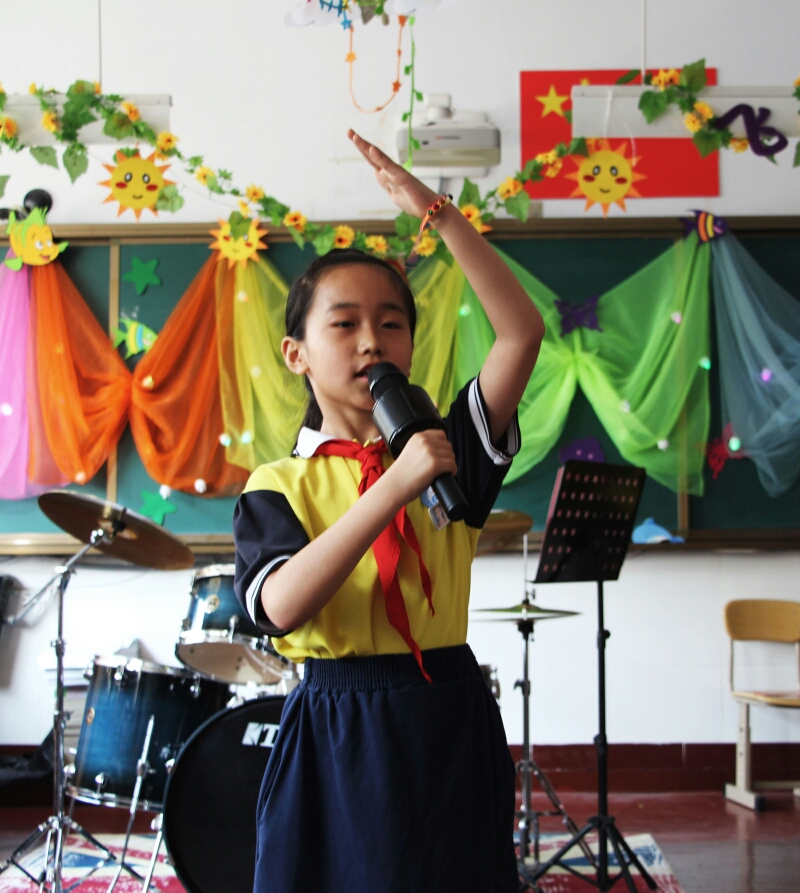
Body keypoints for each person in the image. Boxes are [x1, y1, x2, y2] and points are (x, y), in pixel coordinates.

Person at [233, 130, 544, 893]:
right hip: (338, 726)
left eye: (392, 322)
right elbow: (278, 605)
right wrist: (393, 487)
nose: (372, 340)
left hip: (448, 715)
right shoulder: (277, 483)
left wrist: (437, 214)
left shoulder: (446, 449)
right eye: (343, 323)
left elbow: (521, 332)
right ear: (296, 352)